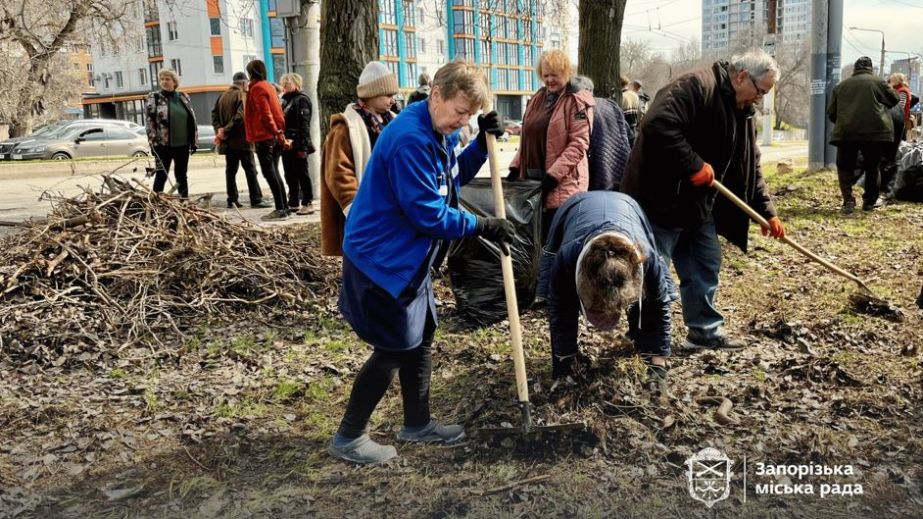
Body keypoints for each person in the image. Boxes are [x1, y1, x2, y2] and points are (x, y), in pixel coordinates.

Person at [328, 60, 509, 465]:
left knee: (421, 337)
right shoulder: (410, 138)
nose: (462, 120)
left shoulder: (434, 130)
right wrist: (481, 225)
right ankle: (349, 436)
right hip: (383, 260)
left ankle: (417, 424)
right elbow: (428, 213)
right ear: (436, 95)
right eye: (460, 112)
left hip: (409, 259)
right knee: (394, 348)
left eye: (470, 115)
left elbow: (448, 180)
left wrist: (480, 142)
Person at [620, 48, 786, 352]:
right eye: (760, 91)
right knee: (652, 270)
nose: (759, 99)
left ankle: (704, 332)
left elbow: (751, 165)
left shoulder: (742, 111)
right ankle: (643, 335)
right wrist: (693, 164)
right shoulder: (695, 87)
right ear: (741, 77)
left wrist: (767, 211)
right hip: (660, 200)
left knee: (704, 264)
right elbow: (657, 124)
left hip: (697, 205)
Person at [538, 191, 675, 392]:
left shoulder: (646, 258)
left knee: (648, 301)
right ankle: (567, 359)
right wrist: (563, 367)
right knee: (560, 298)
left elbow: (659, 304)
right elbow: (559, 309)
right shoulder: (567, 257)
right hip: (574, 207)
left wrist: (659, 365)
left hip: (628, 206)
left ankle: (642, 343)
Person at [507, 49, 595, 242]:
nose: (548, 80)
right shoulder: (538, 97)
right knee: (536, 241)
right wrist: (516, 166)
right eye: (545, 75)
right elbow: (528, 137)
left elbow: (579, 144)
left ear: (566, 72)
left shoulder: (577, 100)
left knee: (555, 243)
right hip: (533, 183)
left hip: (562, 185)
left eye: (554, 75)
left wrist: (554, 176)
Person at [320, 61, 399, 256]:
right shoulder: (346, 128)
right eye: (387, 95)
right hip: (363, 212)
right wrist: (355, 210)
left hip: (389, 208)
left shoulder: (394, 121)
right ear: (371, 94)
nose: (392, 100)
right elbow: (338, 172)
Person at [828, 57, 900, 213]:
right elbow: (894, 99)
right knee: (872, 167)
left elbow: (831, 113)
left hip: (847, 133)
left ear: (855, 69)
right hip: (875, 133)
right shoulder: (878, 82)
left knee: (844, 166)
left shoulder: (841, 86)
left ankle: (848, 201)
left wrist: (845, 122)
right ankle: (869, 202)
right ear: (871, 69)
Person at [212, 71, 268, 209]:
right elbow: (240, 117)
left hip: (227, 143)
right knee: (251, 170)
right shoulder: (242, 95)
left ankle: (232, 199)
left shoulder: (222, 96)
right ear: (244, 83)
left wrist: (220, 129)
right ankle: (256, 199)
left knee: (230, 172)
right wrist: (225, 130)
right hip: (243, 141)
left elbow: (214, 115)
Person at [244, 59, 290, 220]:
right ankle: (284, 206)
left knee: (269, 172)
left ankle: (280, 208)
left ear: (251, 73)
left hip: (265, 136)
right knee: (274, 171)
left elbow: (265, 114)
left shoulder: (257, 88)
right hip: (274, 135)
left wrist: (274, 130)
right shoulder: (268, 86)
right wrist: (278, 132)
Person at [145, 68, 198, 199]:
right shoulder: (154, 98)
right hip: (162, 145)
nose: (164, 82)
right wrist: (153, 143)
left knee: (181, 175)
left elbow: (192, 119)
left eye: (167, 79)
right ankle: (156, 203)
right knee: (161, 174)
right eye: (162, 79)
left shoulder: (183, 97)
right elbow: (149, 123)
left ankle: (184, 201)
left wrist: (194, 141)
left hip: (183, 144)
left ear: (174, 81)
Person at [581, 77, 632, 191]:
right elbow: (627, 134)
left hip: (595, 168)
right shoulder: (610, 104)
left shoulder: (580, 108)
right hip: (619, 164)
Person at [279, 73, 316, 215]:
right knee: (289, 173)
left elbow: (304, 125)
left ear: (296, 84)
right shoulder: (285, 100)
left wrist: (303, 146)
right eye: (284, 83)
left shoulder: (301, 100)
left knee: (302, 172)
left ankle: (307, 201)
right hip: (287, 142)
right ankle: (293, 200)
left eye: (287, 83)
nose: (284, 86)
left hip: (298, 140)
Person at [889, 72, 914, 141]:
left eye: (892, 80)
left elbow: (900, 106)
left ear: (896, 80)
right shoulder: (899, 90)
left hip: (899, 120)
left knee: (898, 141)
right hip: (899, 119)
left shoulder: (902, 91)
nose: (890, 82)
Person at [619, 75, 641, 142]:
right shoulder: (635, 95)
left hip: (623, 128)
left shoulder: (620, 96)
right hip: (633, 127)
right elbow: (639, 112)